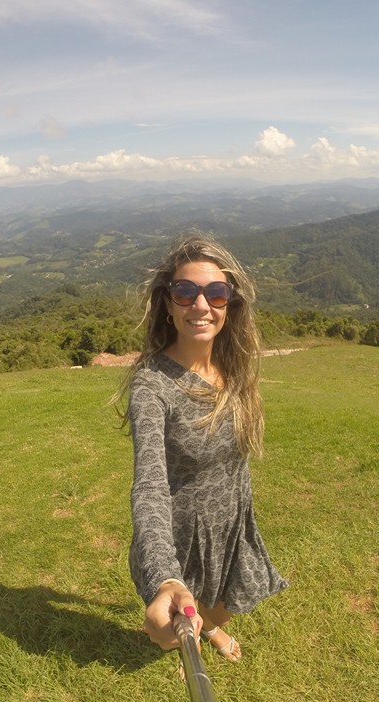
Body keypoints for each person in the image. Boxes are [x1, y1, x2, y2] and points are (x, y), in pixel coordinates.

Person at [116, 232, 288, 665]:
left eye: (216, 293)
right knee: (186, 611)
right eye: (185, 291)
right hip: (184, 534)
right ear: (168, 304)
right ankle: (196, 635)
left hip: (232, 518)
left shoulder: (233, 365)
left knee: (227, 602)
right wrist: (165, 575)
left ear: (229, 304)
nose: (200, 305)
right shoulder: (152, 387)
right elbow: (150, 485)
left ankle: (209, 626)